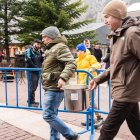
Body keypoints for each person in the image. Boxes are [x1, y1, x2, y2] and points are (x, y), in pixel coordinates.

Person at [89, 0, 140, 139]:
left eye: (107, 17)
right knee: (137, 127)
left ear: (118, 16)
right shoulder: (116, 36)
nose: (104, 21)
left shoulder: (131, 33)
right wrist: (98, 79)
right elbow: (116, 65)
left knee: (106, 130)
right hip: (123, 89)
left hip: (126, 90)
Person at [41, 26, 79, 140]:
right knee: (53, 115)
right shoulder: (52, 49)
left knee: (48, 115)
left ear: (51, 37)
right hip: (51, 86)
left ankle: (71, 135)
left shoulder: (60, 47)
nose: (43, 39)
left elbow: (71, 63)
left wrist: (62, 78)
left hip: (55, 88)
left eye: (44, 37)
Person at [75, 43, 104, 128]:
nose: (76, 52)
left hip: (91, 82)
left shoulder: (90, 57)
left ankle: (99, 118)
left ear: (82, 51)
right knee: (87, 101)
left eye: (78, 50)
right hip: (82, 84)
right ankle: (91, 118)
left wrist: (92, 68)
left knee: (90, 101)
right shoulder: (77, 60)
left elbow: (97, 64)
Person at [25, 39, 43, 107]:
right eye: (37, 44)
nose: (39, 45)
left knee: (35, 86)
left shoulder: (39, 51)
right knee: (32, 87)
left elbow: (41, 61)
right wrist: (35, 67)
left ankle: (31, 100)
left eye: (39, 44)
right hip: (31, 71)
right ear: (34, 43)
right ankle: (30, 102)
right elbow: (28, 60)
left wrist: (42, 55)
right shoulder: (29, 50)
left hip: (37, 71)